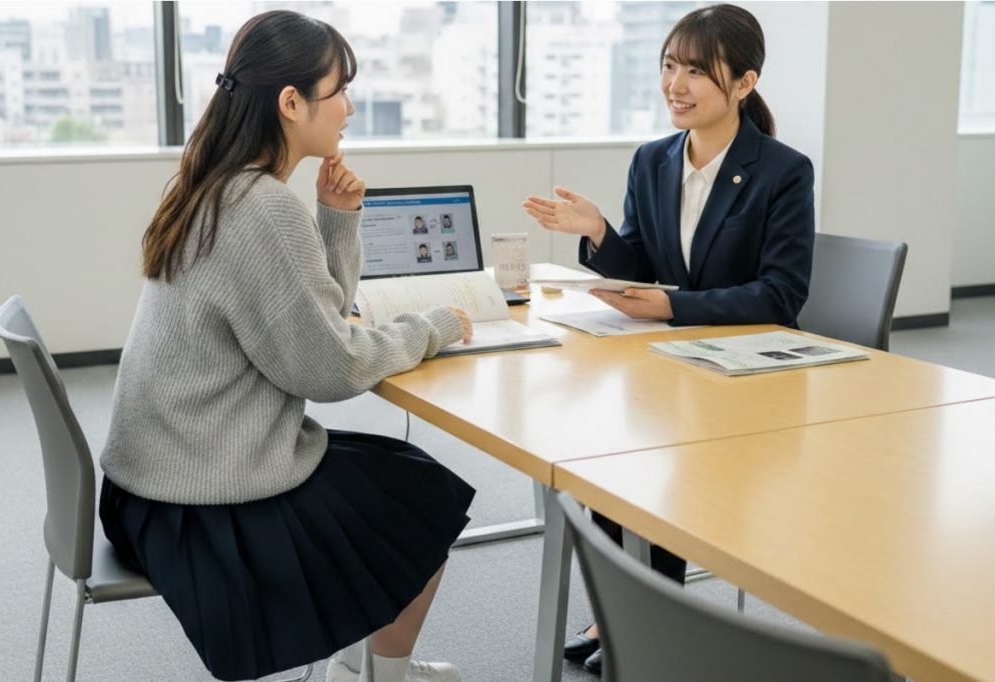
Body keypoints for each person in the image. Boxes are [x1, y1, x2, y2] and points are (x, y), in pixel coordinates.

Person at [99, 11, 474, 682]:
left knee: (396, 476)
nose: (350, 108)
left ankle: (360, 669)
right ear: (292, 102)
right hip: (201, 503)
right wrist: (434, 326)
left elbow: (316, 323)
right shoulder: (263, 208)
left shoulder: (216, 184)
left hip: (150, 486)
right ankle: (380, 675)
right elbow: (333, 367)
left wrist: (335, 223)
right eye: (340, 91)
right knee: (425, 498)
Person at [522, 4, 814, 675]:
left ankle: (636, 621)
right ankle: (624, 614)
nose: (674, 84)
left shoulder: (782, 171)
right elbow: (645, 271)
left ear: (743, 83)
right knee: (608, 450)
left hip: (754, 374)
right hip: (674, 360)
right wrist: (598, 233)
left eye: (695, 71)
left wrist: (673, 306)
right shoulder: (652, 160)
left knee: (658, 461)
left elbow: (780, 294)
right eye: (668, 66)